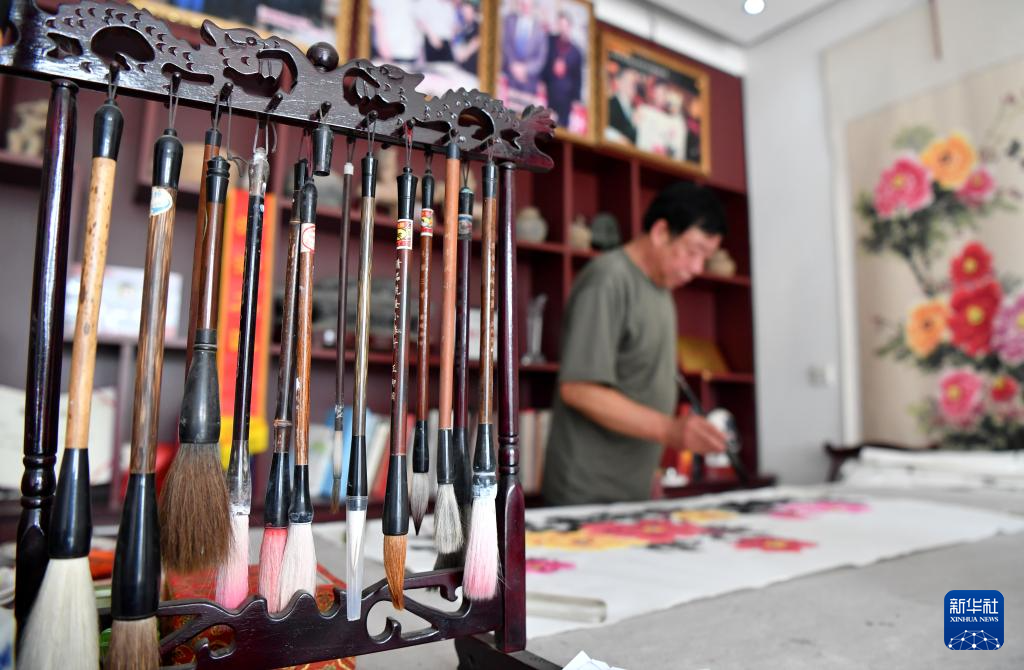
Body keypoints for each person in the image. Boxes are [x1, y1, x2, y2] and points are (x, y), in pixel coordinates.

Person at [542, 183, 729, 506]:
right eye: (693, 251)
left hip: (633, 488)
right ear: (661, 232)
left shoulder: (662, 289)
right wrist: (671, 431)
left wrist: (653, 471)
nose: (698, 268)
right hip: (587, 492)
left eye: (705, 258)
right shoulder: (607, 280)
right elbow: (579, 389)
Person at [541, 10, 583, 127]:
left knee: (562, 126)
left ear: (570, 26)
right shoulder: (550, 41)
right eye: (560, 25)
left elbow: (577, 78)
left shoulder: (576, 52)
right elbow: (544, 62)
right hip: (549, 90)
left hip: (565, 97)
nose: (562, 28)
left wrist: (576, 99)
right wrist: (542, 81)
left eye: (565, 25)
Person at [501, 0, 548, 98]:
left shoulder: (541, 29)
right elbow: (506, 44)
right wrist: (513, 65)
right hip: (508, 72)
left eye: (529, 5)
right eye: (523, 4)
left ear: (533, 7)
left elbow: (540, 58)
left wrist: (525, 69)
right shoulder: (509, 20)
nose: (525, 7)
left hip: (528, 80)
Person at [605, 63, 638, 145]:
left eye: (635, 83)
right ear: (618, 82)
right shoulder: (609, 103)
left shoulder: (635, 109)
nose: (633, 86)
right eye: (629, 81)